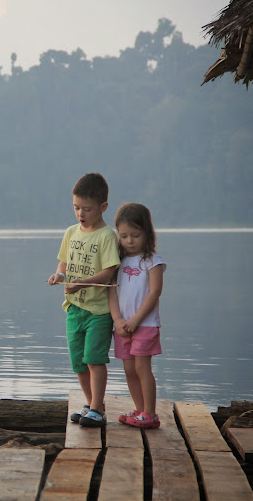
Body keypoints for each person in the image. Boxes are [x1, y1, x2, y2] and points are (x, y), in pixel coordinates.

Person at [48, 173, 121, 428]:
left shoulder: (106, 236)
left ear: (102, 207)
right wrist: (59, 274)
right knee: (78, 362)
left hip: (98, 311)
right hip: (74, 309)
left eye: (87, 209)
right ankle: (91, 404)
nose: (81, 213)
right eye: (77, 207)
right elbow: (64, 261)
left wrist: (82, 283)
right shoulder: (71, 233)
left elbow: (109, 271)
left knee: (94, 359)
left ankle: (99, 409)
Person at [109, 203, 165, 429]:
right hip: (122, 326)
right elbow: (111, 290)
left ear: (147, 234)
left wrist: (135, 320)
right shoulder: (117, 262)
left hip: (145, 324)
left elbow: (154, 292)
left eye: (135, 235)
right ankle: (140, 409)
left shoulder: (153, 261)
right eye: (124, 236)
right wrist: (118, 320)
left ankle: (150, 413)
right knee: (129, 370)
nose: (129, 240)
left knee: (142, 368)